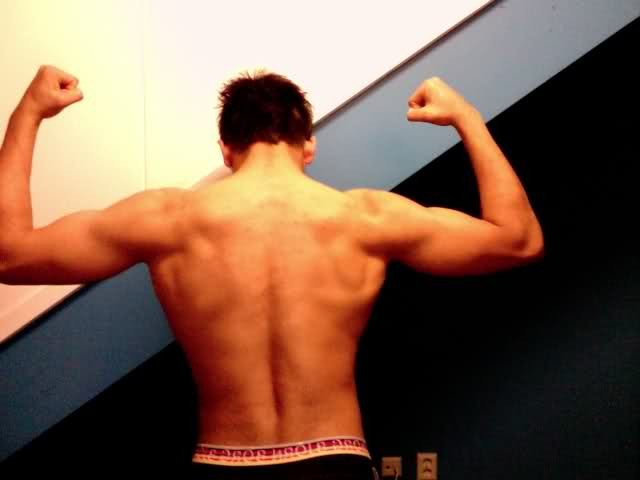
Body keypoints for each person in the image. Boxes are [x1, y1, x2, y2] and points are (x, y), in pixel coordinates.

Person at [0, 66, 543, 479]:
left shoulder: (166, 218)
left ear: (225, 149)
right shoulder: (367, 217)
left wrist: (27, 111)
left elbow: (11, 255)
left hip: (223, 460)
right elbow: (520, 241)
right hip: (335, 459)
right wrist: (467, 117)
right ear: (309, 145)